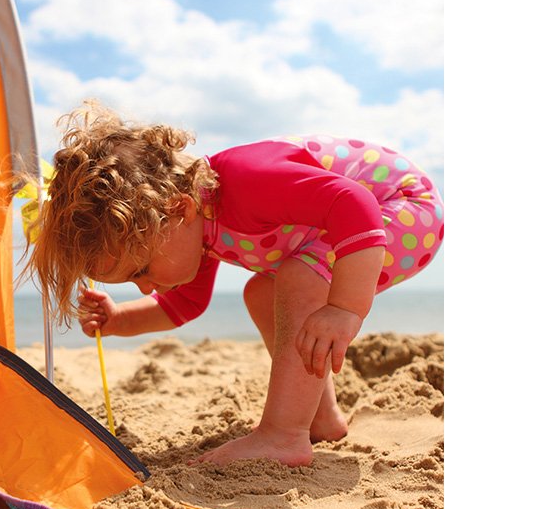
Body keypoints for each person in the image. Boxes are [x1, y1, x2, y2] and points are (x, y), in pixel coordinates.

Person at [25, 101, 444, 468]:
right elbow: (183, 307)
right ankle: (320, 418)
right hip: (356, 225)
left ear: (178, 210)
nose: (146, 288)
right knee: (260, 292)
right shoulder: (195, 229)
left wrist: (344, 309)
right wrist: (118, 320)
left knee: (300, 276)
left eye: (141, 271)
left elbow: (353, 202)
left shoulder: (246, 182)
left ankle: (284, 435)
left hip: (404, 208)